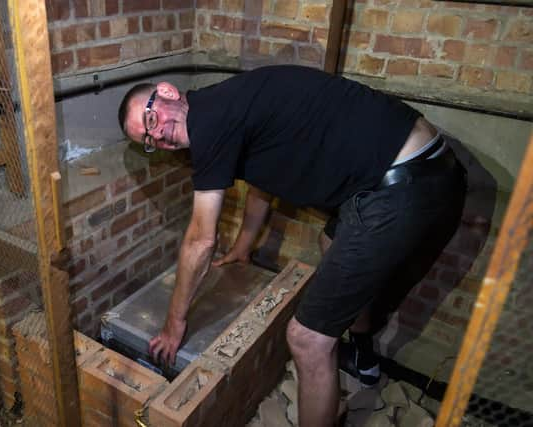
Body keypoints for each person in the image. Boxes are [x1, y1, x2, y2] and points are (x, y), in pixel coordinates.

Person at [117, 65, 466, 427]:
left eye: (151, 119)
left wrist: (175, 324)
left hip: (405, 184)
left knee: (306, 339)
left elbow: (201, 240)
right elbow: (262, 179)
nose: (159, 137)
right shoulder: (221, 104)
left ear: (168, 92)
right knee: (331, 244)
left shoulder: (209, 122)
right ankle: (364, 359)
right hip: (415, 170)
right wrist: (244, 246)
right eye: (148, 140)